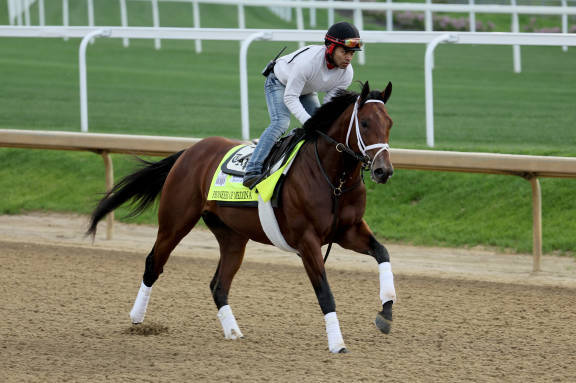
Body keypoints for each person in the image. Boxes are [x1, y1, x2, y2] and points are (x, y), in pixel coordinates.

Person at [242, 21, 363, 189]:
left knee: (324, 128)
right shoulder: (308, 63)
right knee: (281, 123)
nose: (349, 58)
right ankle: (252, 170)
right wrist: (308, 122)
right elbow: (290, 97)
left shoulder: (347, 74)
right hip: (279, 82)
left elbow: (328, 106)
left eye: (352, 53)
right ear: (330, 48)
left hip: (306, 90)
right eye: (345, 52)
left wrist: (318, 123)